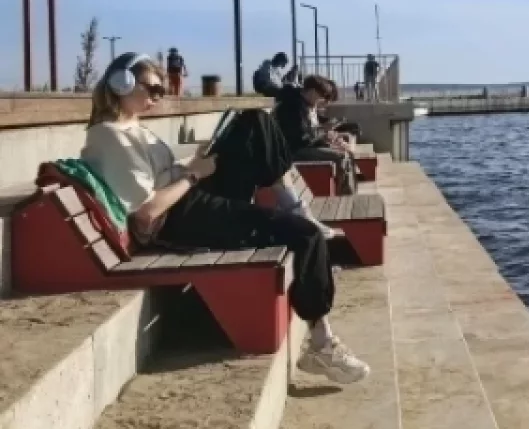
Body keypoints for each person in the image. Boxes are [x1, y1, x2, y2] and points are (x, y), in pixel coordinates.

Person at [80, 53, 369, 384]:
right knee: (305, 235)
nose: (158, 97)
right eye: (153, 89)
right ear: (122, 83)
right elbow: (147, 214)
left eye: (162, 91)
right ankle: (321, 343)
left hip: (190, 198)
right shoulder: (109, 136)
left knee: (254, 122)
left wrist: (195, 165)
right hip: (181, 218)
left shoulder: (131, 128)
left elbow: (161, 178)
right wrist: (193, 176)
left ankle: (295, 209)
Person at [274, 75, 357, 194]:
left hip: (305, 146)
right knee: (341, 156)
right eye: (321, 96)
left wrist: (326, 136)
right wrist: (323, 130)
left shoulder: (304, 104)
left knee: (345, 152)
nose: (322, 100)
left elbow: (310, 133)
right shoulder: (292, 107)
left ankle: (349, 192)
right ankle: (346, 196)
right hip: (294, 150)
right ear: (313, 92)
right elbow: (301, 137)